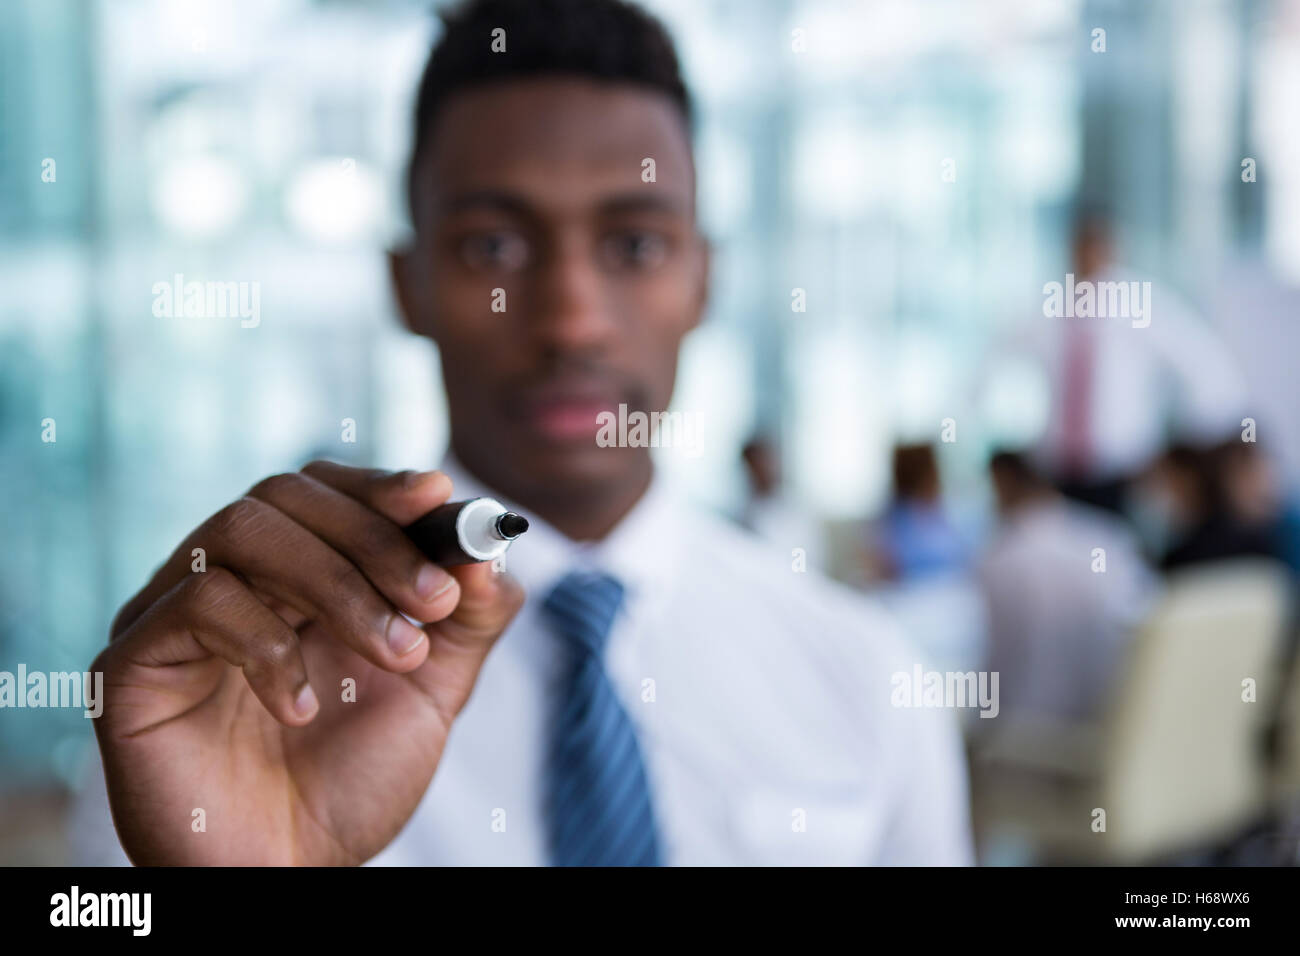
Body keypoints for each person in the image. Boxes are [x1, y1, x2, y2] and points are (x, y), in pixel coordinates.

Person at [74, 0, 971, 866]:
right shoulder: (244, 688)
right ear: (407, 283)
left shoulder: (867, 678)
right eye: (493, 248)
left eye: (635, 246)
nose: (571, 320)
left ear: (704, 280)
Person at [1024, 209, 1248, 515]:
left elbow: (1205, 366)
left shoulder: (1143, 304)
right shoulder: (1052, 306)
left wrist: (1188, 447)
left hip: (1125, 470)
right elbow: (1000, 354)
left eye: (1096, 249)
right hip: (1061, 469)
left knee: (1120, 554)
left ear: (1112, 251)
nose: (1088, 259)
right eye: (1080, 250)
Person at [975, 451, 1158, 726]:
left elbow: (997, 674)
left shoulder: (1004, 559)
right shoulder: (1109, 535)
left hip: (1039, 740)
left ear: (1002, 485)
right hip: (1126, 726)